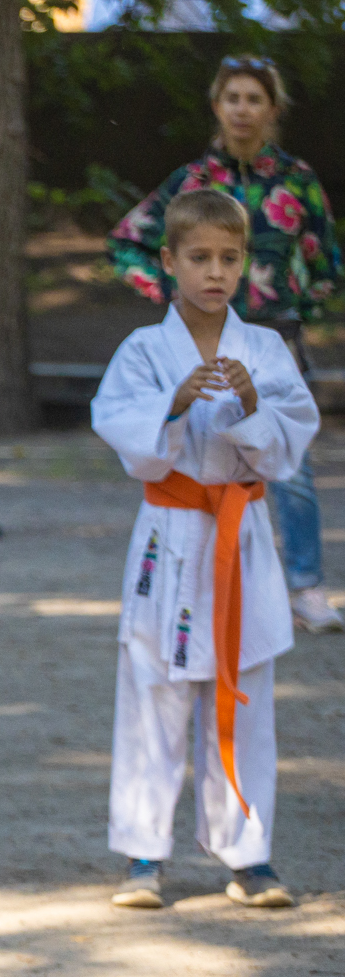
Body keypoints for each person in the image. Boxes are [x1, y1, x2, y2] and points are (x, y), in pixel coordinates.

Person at [91, 189, 316, 912]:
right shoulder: (144, 351)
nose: (214, 272)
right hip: (171, 528)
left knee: (243, 687)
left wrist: (253, 407)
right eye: (198, 258)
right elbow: (120, 427)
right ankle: (143, 853)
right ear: (168, 262)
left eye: (228, 258)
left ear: (244, 262)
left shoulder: (265, 349)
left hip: (240, 529)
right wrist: (175, 402)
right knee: (153, 686)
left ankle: (247, 853)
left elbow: (290, 443)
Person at [108, 55, 342, 635]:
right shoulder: (191, 182)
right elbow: (127, 241)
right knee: (197, 445)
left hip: (273, 334)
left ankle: (305, 583)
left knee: (290, 462)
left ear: (273, 110)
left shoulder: (297, 179)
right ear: (217, 106)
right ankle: (205, 572)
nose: (242, 109)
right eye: (232, 97)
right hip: (196, 334)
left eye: (254, 99)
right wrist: (170, 289)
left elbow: (325, 258)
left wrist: (293, 306)